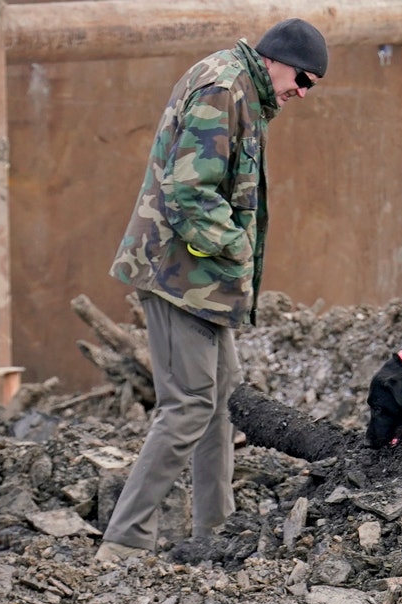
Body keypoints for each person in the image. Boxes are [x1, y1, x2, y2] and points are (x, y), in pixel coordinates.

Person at [96, 18, 329, 562]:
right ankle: (124, 543)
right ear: (276, 59)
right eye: (304, 78)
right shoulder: (223, 88)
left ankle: (213, 534)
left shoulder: (244, 90)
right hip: (176, 277)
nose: (303, 92)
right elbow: (188, 191)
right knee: (190, 404)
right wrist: (237, 247)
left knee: (221, 398)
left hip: (201, 282)